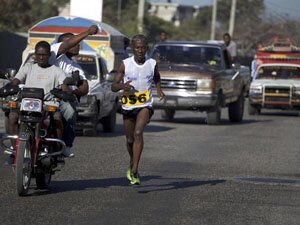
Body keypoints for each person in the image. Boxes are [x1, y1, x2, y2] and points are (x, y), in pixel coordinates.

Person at [111, 34, 165, 185]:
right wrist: (123, 86)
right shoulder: (125, 64)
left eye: (142, 48)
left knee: (138, 133)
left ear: (146, 48)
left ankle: (135, 168)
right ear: (132, 49)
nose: (140, 50)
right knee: (129, 140)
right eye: (137, 48)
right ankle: (132, 161)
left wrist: (159, 90)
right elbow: (113, 86)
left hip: (145, 105)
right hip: (128, 106)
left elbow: (156, 76)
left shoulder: (152, 63)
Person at [5, 41, 68, 163]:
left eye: (44, 54)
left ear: (49, 55)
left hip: (48, 103)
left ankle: (57, 150)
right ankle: (14, 150)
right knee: (12, 116)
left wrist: (65, 91)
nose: (41, 57)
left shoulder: (56, 70)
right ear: (35, 54)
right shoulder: (28, 68)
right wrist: (9, 87)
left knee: (57, 117)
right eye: (38, 54)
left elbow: (64, 84)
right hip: (28, 103)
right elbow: (17, 80)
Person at [49, 25, 98, 157]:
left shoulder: (76, 66)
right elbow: (67, 44)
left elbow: (85, 88)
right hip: (45, 95)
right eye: (74, 42)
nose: (77, 45)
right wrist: (87, 32)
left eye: (78, 43)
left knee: (70, 112)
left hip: (62, 98)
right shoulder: (54, 54)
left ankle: (66, 145)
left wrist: (73, 92)